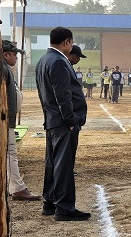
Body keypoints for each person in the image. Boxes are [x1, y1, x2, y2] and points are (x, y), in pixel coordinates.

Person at [35, 27, 90, 221]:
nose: (72, 45)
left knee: (53, 162)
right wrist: (71, 120)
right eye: (72, 42)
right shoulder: (58, 61)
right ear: (66, 42)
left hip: (52, 120)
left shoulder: (43, 60)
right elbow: (63, 95)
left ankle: (49, 202)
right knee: (64, 164)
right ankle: (64, 207)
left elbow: (43, 95)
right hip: (63, 123)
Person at [0, 40, 41, 201]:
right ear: (6, 55)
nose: (16, 58)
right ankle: (17, 188)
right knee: (9, 152)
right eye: (14, 55)